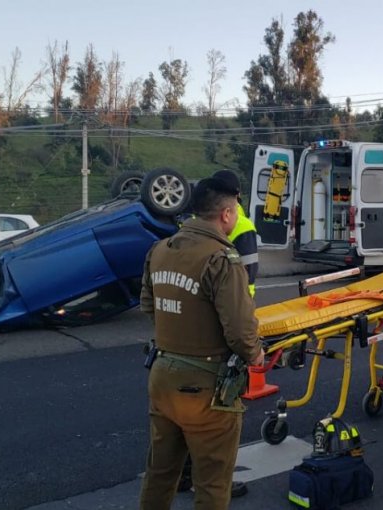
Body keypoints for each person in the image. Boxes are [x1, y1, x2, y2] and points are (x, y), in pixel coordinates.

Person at [139, 177, 264, 510]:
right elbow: (239, 331)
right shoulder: (222, 259)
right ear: (225, 214)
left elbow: (148, 306)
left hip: (162, 377)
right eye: (235, 211)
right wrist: (256, 354)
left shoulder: (160, 250)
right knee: (211, 484)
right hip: (206, 389)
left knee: (160, 474)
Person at [212, 170, 259, 297]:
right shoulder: (244, 225)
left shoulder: (196, 218)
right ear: (238, 193)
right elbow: (249, 272)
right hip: (237, 298)